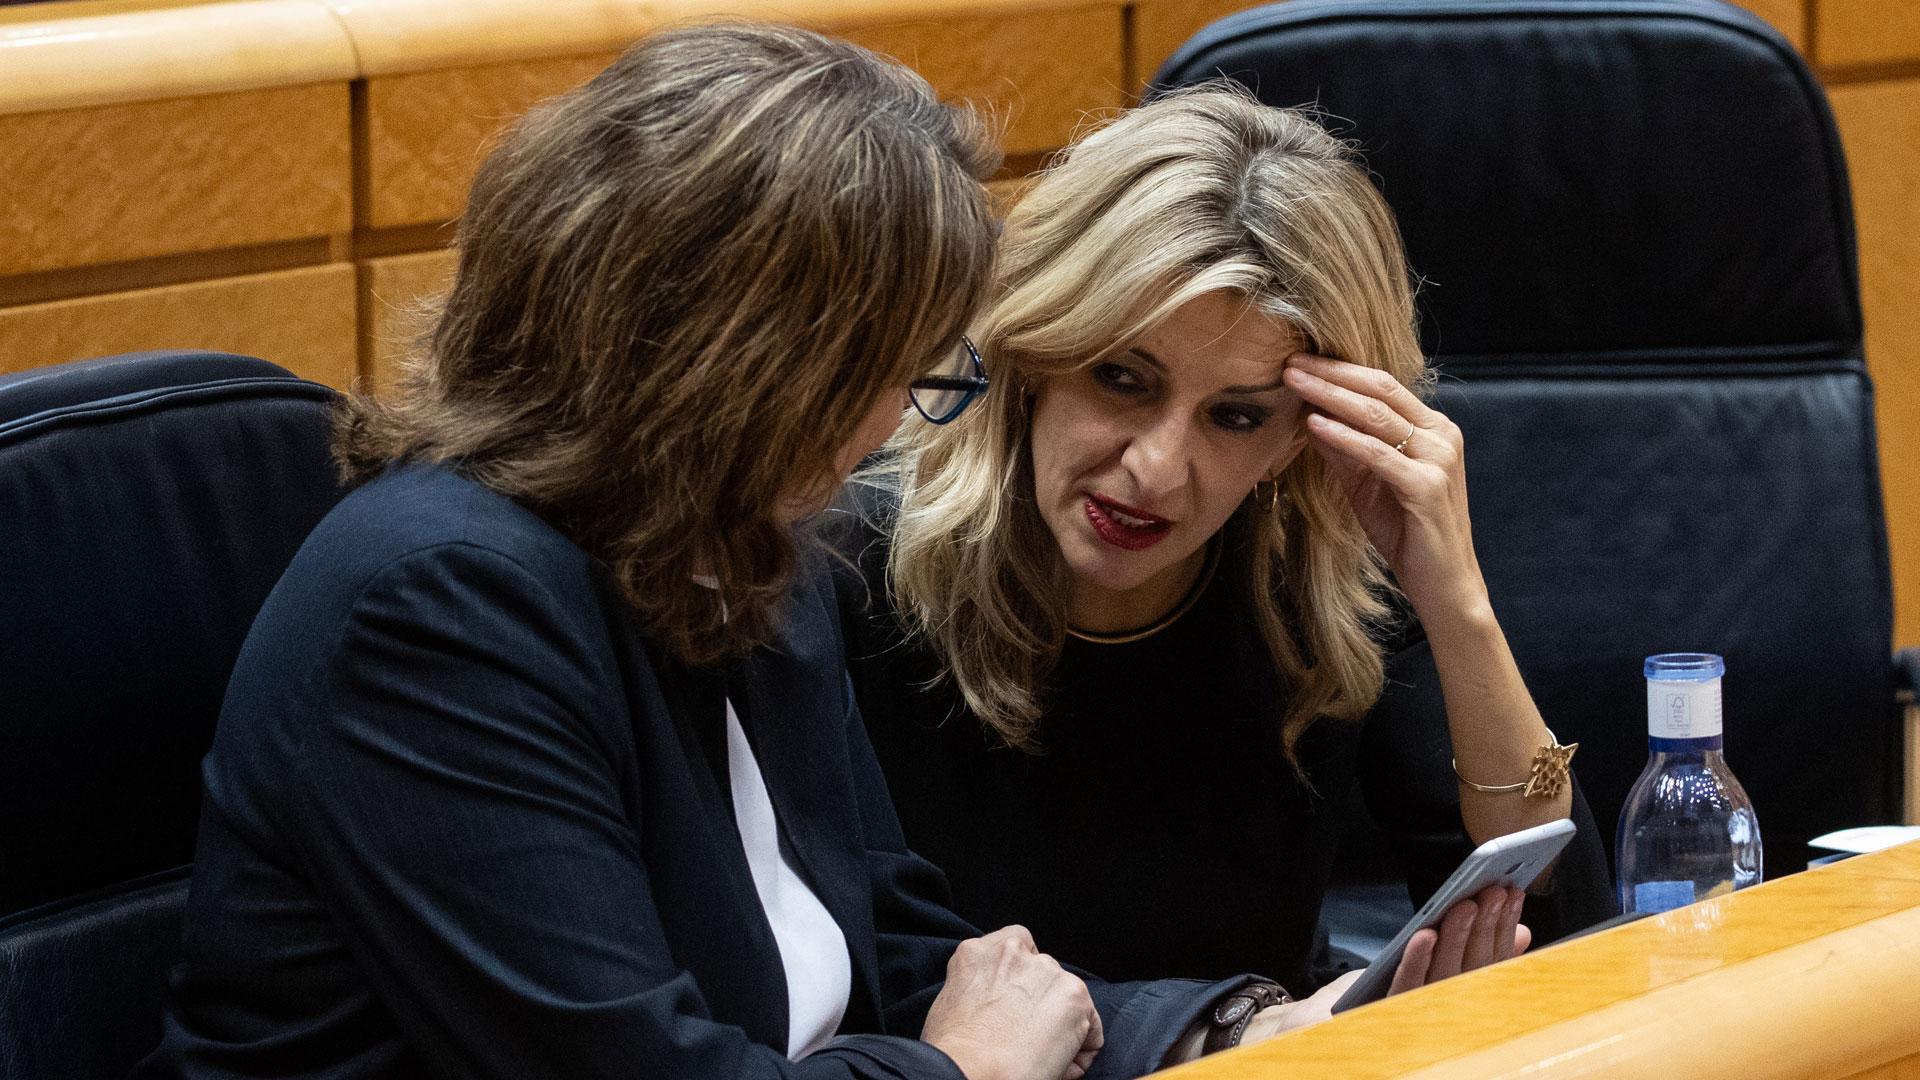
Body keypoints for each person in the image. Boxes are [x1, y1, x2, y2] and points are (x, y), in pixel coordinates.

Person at [136, 27, 1279, 1080]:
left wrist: (1215, 1031)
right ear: (739, 363)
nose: (897, 417)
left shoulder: (752, 548)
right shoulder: (439, 613)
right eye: (888, 369)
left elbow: (900, 950)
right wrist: (961, 1074)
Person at [829, 85, 1617, 1021]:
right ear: (1036, 355)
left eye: (1235, 417)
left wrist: (1457, 599)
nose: (1157, 470)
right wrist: (1233, 1031)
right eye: (1122, 379)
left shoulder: (1327, 585)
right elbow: (849, 982)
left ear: (1299, 438)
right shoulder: (846, 571)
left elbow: (1560, 918)